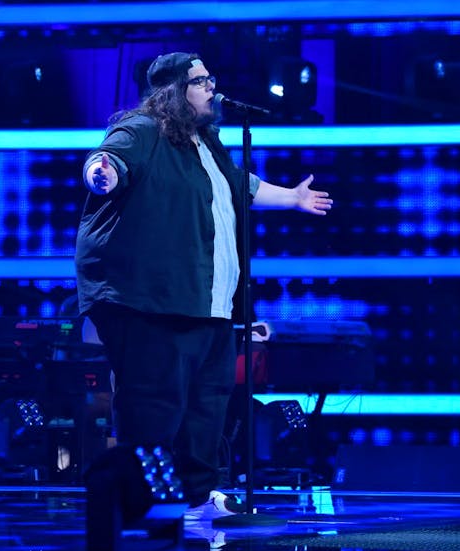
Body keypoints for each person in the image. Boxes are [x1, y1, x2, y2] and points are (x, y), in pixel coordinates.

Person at [75, 52, 332, 520]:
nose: (211, 87)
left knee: (207, 404)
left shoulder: (206, 144)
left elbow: (241, 185)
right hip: (153, 303)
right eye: (199, 81)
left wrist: (293, 198)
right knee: (154, 404)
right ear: (173, 90)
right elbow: (107, 160)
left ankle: (198, 497)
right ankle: (144, 501)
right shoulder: (142, 130)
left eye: (211, 78)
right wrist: (102, 173)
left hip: (208, 303)